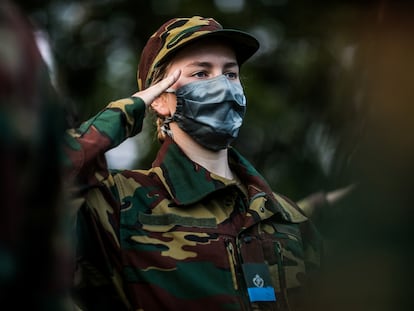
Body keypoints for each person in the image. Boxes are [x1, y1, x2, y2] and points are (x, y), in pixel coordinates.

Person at [65, 16, 323, 310]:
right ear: (160, 98)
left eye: (231, 74)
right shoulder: (120, 205)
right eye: (201, 74)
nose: (223, 87)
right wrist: (132, 108)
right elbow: (36, 181)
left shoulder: (287, 219)